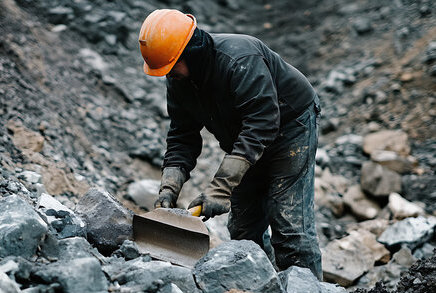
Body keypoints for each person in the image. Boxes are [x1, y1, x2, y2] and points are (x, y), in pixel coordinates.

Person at [138, 9, 322, 279]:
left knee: (290, 227)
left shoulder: (239, 59)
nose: (168, 75)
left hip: (290, 126)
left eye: (171, 67)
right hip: (245, 137)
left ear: (189, 52)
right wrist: (168, 188)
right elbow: (182, 135)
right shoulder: (179, 79)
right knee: (243, 232)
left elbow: (262, 123)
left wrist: (221, 189)